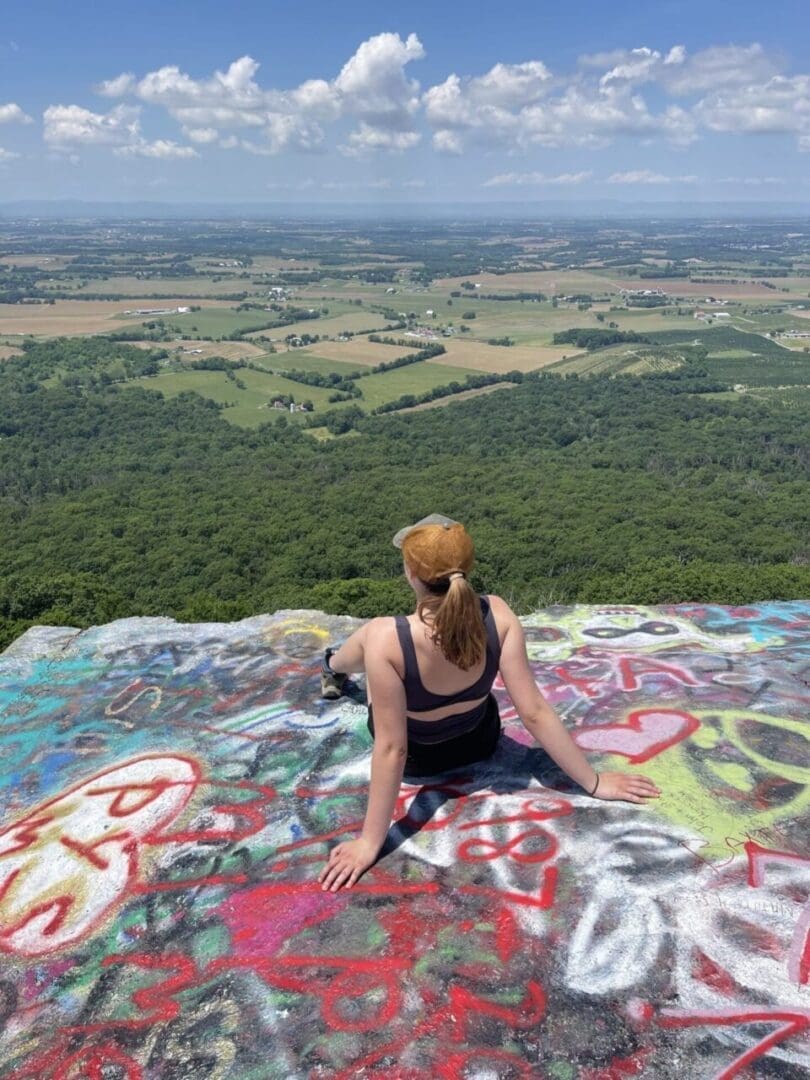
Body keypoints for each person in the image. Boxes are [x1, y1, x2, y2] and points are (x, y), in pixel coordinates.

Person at [318, 515, 660, 893]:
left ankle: (331, 665)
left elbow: (392, 748)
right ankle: (334, 665)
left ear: (410, 573)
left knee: (370, 644)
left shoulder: (386, 636)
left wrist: (370, 844)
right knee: (381, 650)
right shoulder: (497, 613)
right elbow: (534, 712)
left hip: (420, 759)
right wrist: (592, 783)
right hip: (479, 742)